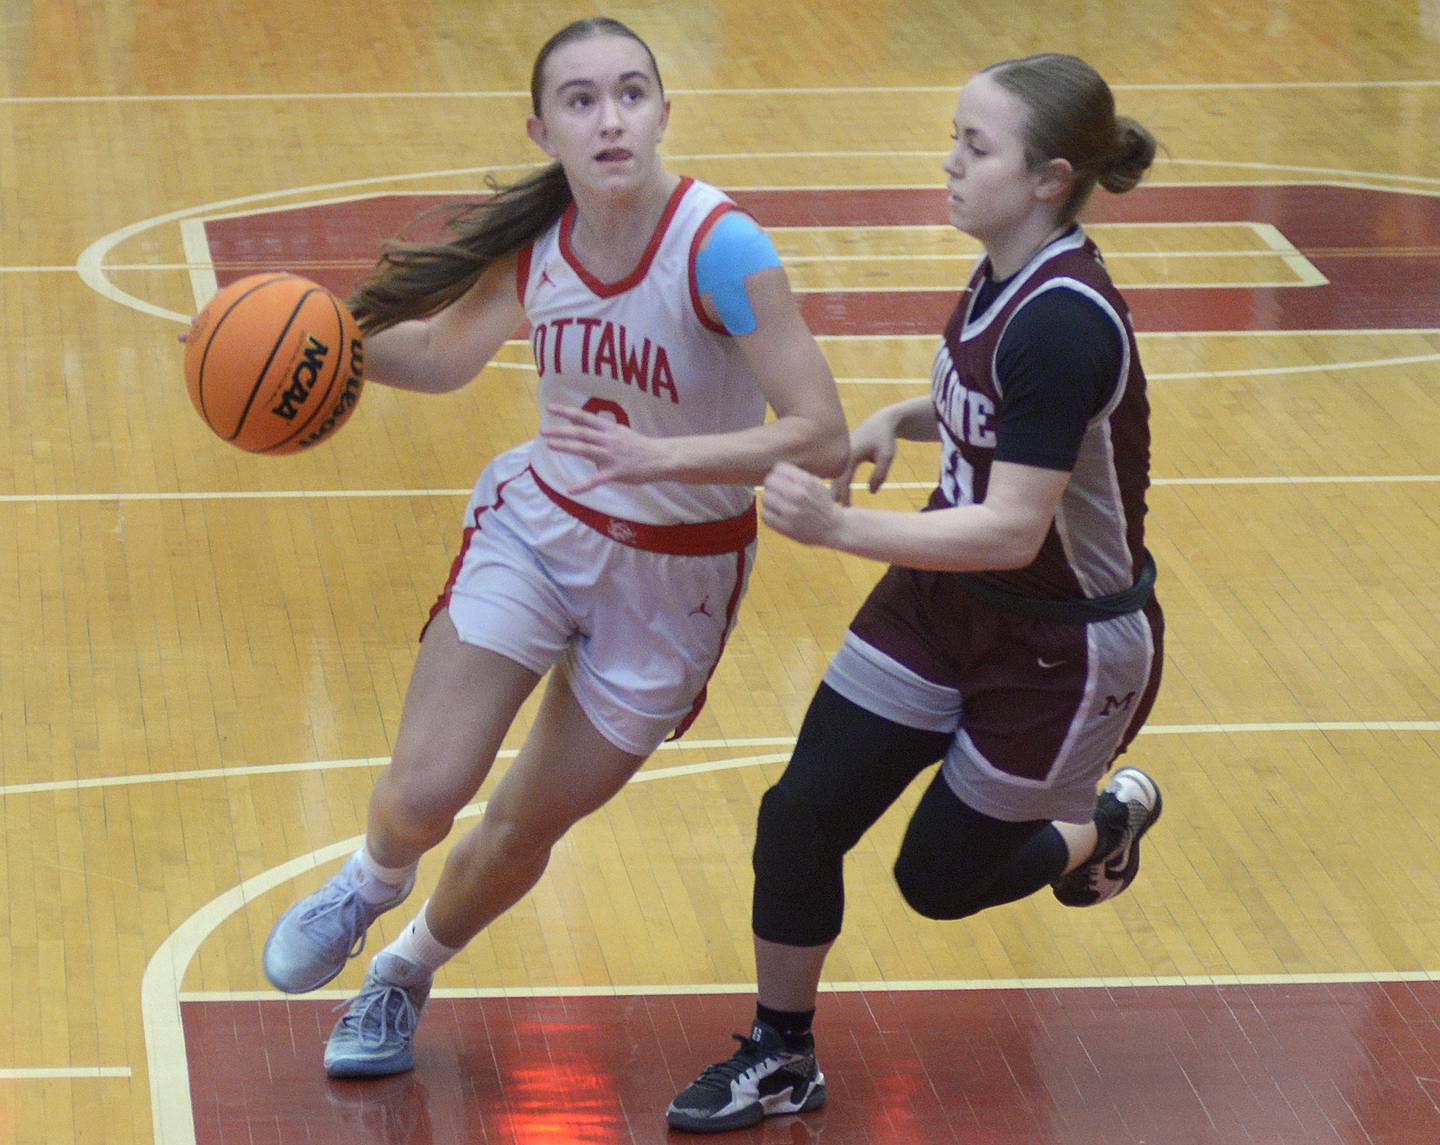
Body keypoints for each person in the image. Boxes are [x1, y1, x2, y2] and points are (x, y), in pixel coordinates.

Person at [258, 16, 847, 1080]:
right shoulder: (542, 245)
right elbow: (442, 357)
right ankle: (366, 881)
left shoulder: (723, 247)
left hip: (678, 576)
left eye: (631, 93)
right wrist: (313, 336)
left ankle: (404, 967)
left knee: (522, 825)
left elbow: (820, 430)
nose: (610, 117)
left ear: (664, 111)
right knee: (423, 791)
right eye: (581, 101)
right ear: (544, 130)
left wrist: (656, 461)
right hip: (540, 529)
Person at [666, 52, 1166, 1133]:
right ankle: (783, 1053)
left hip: (1059, 647)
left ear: (1048, 178)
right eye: (955, 135)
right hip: (946, 602)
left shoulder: (1066, 316)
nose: (947, 161)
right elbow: (1005, 415)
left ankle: (1108, 817)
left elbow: (1014, 525)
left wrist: (840, 525)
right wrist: (904, 415)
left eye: (974, 146)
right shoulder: (1003, 270)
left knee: (938, 881)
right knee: (799, 817)